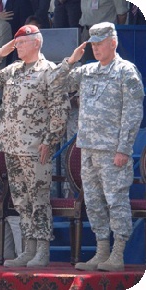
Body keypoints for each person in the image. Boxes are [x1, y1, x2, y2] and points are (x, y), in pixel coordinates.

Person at [0, 24, 70, 268]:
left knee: (39, 198)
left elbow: (60, 110)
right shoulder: (13, 70)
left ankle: (42, 250)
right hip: (11, 145)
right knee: (20, 200)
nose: (17, 46)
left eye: (22, 42)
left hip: (35, 147)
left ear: (36, 43)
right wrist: (0, 52)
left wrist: (50, 141)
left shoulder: (50, 71)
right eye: (16, 43)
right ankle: (28, 248)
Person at [62, 22, 145, 272]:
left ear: (113, 43)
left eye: (100, 44)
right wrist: (71, 61)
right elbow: (58, 84)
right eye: (93, 45)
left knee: (116, 201)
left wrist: (123, 149)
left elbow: (133, 114)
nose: (96, 49)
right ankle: (102, 251)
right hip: (87, 148)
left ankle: (118, 252)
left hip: (112, 151)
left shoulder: (126, 72)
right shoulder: (86, 71)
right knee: (95, 202)